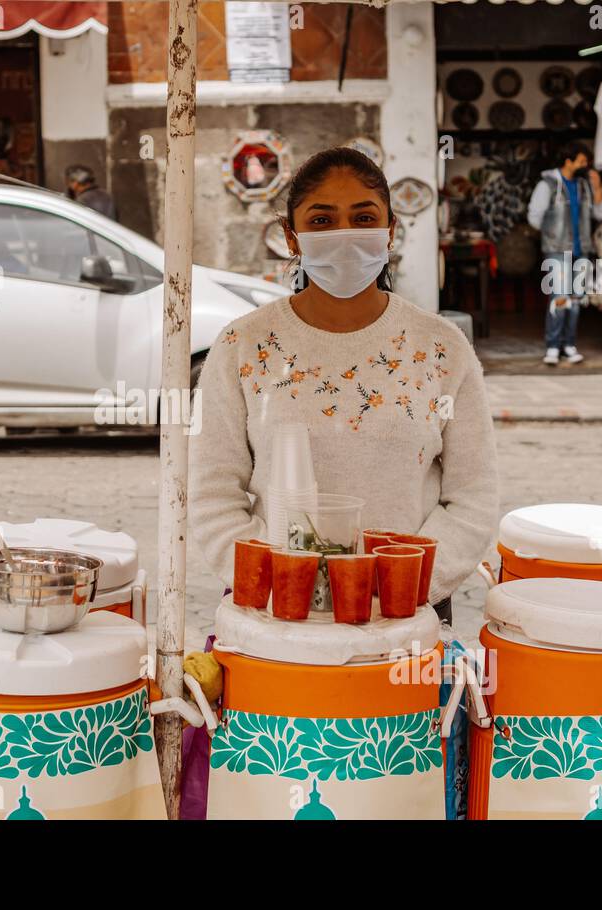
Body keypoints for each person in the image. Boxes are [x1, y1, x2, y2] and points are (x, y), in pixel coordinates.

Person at [189, 147, 499, 627]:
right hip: (280, 613)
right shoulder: (241, 347)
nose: (344, 235)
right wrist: (282, 582)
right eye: (321, 220)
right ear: (292, 238)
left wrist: (401, 584)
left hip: (409, 612)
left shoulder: (443, 348)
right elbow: (211, 496)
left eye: (362, 217)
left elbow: (472, 496)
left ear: (389, 231)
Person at [526, 140, 602, 365]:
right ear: (568, 161)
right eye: (582, 161)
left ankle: (569, 345)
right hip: (556, 250)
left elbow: (600, 214)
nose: (585, 165)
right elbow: (534, 218)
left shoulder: (583, 185)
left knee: (576, 300)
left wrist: (598, 187)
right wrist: (552, 234)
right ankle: (553, 346)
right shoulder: (548, 184)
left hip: (582, 250)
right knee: (560, 298)